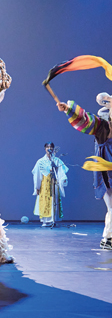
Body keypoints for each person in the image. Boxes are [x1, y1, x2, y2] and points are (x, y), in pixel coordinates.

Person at [57, 94, 112, 249]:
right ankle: (108, 239)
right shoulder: (102, 127)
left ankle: (108, 238)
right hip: (106, 173)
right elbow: (86, 120)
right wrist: (68, 109)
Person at [32, 142, 68, 227]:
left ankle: (53, 220)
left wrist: (62, 179)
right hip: (45, 184)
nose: (49, 148)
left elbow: (61, 172)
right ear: (45, 149)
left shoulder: (56, 160)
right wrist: (37, 187)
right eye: (47, 147)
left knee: (54, 201)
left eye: (51, 147)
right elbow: (37, 175)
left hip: (54, 183)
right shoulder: (40, 161)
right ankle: (45, 221)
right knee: (45, 201)